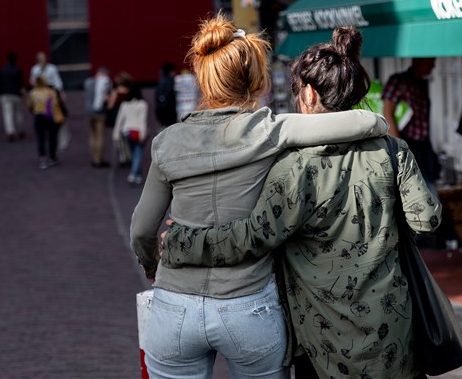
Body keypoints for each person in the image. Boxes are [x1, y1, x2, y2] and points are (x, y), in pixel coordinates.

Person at [159, 27, 442, 379]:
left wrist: (184, 242)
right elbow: (426, 219)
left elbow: (251, 239)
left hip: (321, 340)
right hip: (394, 331)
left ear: (308, 94)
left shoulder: (293, 167)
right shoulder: (392, 150)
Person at [382, 58, 439, 184]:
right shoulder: (399, 81)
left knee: (427, 185)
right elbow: (387, 112)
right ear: (418, 62)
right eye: (431, 61)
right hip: (407, 142)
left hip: (423, 145)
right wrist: (399, 147)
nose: (434, 65)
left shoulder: (421, 84)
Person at [112, 86, 148, 185]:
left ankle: (138, 175)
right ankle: (133, 174)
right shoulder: (142, 104)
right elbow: (142, 120)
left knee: (133, 153)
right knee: (138, 154)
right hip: (138, 131)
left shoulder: (124, 104)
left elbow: (120, 120)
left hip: (127, 131)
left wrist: (116, 134)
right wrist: (143, 134)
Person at [27, 76, 65, 169]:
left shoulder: (33, 93)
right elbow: (56, 104)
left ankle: (42, 159)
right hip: (50, 116)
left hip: (39, 116)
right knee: (52, 137)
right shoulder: (51, 92)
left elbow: (30, 106)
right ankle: (52, 156)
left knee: (41, 138)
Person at [84, 67, 112, 168]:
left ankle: (93, 157)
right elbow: (107, 97)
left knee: (92, 135)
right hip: (100, 113)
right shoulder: (106, 82)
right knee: (100, 136)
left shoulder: (88, 82)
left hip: (89, 112)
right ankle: (99, 159)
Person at [0, 52, 26, 142]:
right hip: (16, 94)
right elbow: (21, 85)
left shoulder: (2, 70)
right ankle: (20, 130)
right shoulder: (17, 70)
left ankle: (10, 131)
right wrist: (23, 96)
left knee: (7, 113)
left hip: (5, 94)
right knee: (18, 113)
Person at [106, 72, 133, 167]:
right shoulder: (130, 92)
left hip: (117, 118)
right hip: (129, 117)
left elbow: (110, 106)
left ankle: (123, 158)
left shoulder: (115, 92)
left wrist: (107, 99)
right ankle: (130, 156)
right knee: (128, 138)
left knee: (119, 140)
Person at [154, 62, 178, 128]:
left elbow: (161, 103)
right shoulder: (172, 83)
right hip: (172, 118)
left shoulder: (162, 84)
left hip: (166, 120)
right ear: (171, 71)